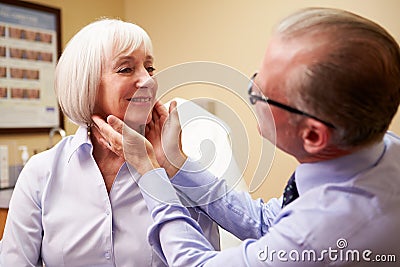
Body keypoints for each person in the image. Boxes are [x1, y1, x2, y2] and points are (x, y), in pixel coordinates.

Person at [94, 7, 400, 266]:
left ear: (312, 135)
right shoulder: (379, 145)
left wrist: (150, 174)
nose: (250, 90)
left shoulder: (323, 234)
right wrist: (175, 166)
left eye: (262, 92)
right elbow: (269, 222)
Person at [0, 18, 220, 266]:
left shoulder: (177, 173)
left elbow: (207, 259)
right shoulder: (41, 173)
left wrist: (168, 172)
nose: (147, 80)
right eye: (126, 69)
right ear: (87, 85)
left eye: (149, 68)